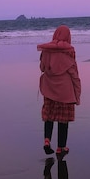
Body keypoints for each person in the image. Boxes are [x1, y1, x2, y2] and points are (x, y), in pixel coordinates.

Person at [37, 25, 81, 158]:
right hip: (65, 91)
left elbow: (42, 68)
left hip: (49, 88)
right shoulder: (69, 51)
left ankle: (47, 140)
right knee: (63, 120)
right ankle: (61, 148)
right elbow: (74, 74)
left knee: (49, 116)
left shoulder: (46, 50)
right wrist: (77, 93)